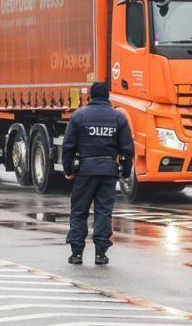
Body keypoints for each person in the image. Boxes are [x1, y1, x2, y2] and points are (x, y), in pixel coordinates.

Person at [62, 81, 134, 266]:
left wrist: (68, 170)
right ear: (107, 96)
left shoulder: (79, 116)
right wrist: (125, 173)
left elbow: (68, 146)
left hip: (84, 171)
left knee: (79, 211)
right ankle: (100, 254)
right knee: (103, 211)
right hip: (108, 172)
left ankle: (76, 254)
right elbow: (127, 149)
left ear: (90, 97)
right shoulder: (118, 118)